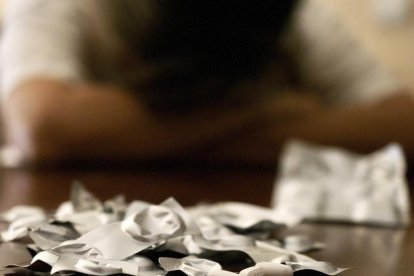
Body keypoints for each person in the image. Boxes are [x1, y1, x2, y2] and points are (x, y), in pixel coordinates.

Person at [0, 0, 412, 167]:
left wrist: (128, 136)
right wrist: (264, 110)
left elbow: (403, 122)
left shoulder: (292, 11)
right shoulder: (63, 5)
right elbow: (41, 125)